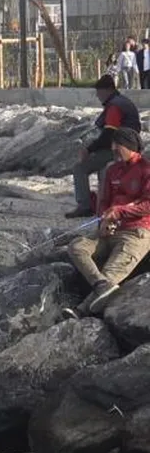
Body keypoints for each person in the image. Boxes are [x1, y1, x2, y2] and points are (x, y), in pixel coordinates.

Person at [66, 127, 150, 315]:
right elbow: (104, 203)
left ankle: (81, 311)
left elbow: (148, 205)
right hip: (109, 231)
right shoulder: (112, 170)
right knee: (77, 247)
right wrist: (103, 222)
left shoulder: (146, 169)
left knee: (113, 270)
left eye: (117, 147)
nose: (113, 151)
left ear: (130, 147)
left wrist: (120, 212)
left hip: (138, 232)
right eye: (113, 147)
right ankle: (100, 284)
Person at [67, 74, 142, 218]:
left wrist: (88, 150)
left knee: (80, 168)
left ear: (105, 90)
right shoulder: (122, 101)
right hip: (129, 148)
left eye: (98, 93)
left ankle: (85, 206)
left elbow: (109, 134)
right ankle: (104, 204)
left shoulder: (114, 106)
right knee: (103, 171)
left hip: (118, 150)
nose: (97, 96)